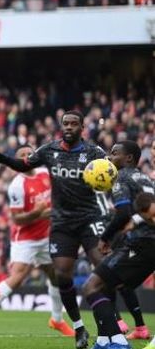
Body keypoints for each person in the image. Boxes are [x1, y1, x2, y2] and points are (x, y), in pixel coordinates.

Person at [0, 111, 143, 349]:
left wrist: (123, 197)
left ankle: (109, 331)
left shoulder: (94, 152)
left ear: (82, 127)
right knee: (62, 275)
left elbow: (114, 170)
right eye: (66, 124)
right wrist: (3, 159)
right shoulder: (48, 150)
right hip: (62, 223)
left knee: (103, 271)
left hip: (90, 219)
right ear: (61, 127)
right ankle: (79, 327)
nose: (69, 127)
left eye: (74, 124)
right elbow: (24, 164)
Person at [0, 145, 74, 337]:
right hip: (25, 239)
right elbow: (17, 219)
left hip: (46, 236)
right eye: (22, 155)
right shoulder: (17, 186)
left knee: (56, 276)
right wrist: (38, 213)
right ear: (16, 163)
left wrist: (51, 211)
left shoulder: (45, 172)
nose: (27, 157)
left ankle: (57, 320)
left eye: (30, 153)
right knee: (18, 277)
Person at [83, 141, 155, 349]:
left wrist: (104, 238)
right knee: (107, 286)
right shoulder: (144, 179)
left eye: (114, 153)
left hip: (140, 244)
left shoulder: (120, 177)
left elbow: (123, 213)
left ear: (129, 158)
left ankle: (119, 342)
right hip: (147, 244)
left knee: (91, 287)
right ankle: (105, 340)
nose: (109, 157)